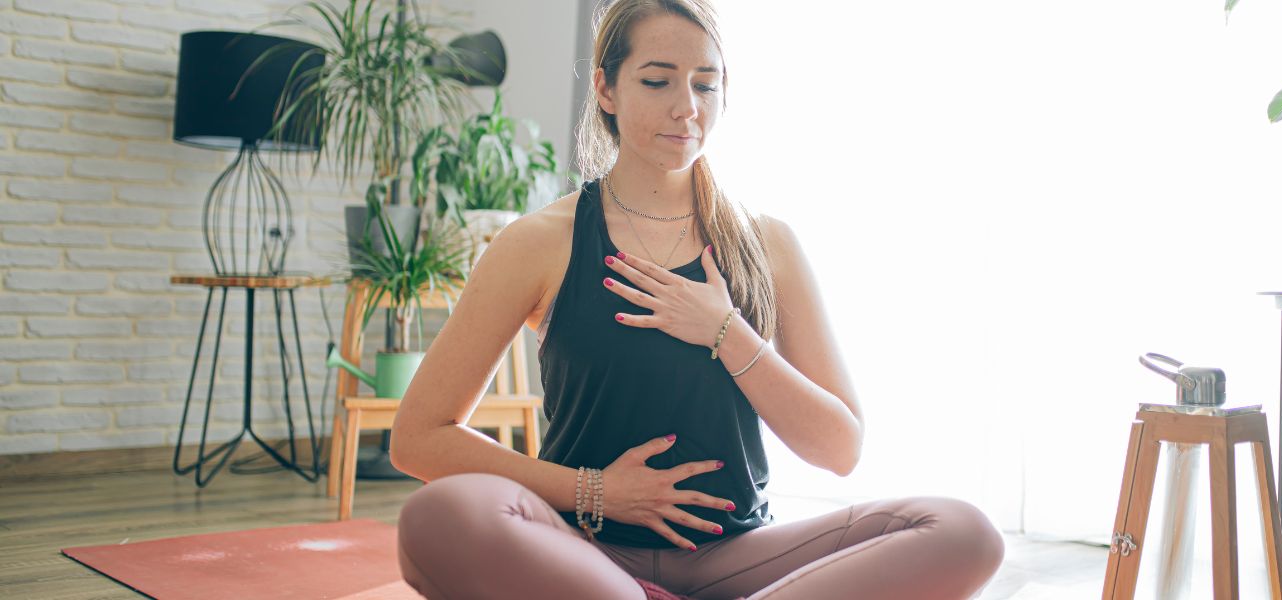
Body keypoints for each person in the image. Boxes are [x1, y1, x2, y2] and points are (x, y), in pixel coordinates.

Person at [390, 1, 1004, 598]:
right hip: (585, 554)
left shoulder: (769, 244)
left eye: (705, 86)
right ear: (606, 89)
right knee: (439, 514)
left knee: (962, 532)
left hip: (736, 559)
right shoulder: (539, 243)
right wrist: (595, 491)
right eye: (657, 81)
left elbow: (840, 449)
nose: (686, 108)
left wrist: (726, 332)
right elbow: (418, 436)